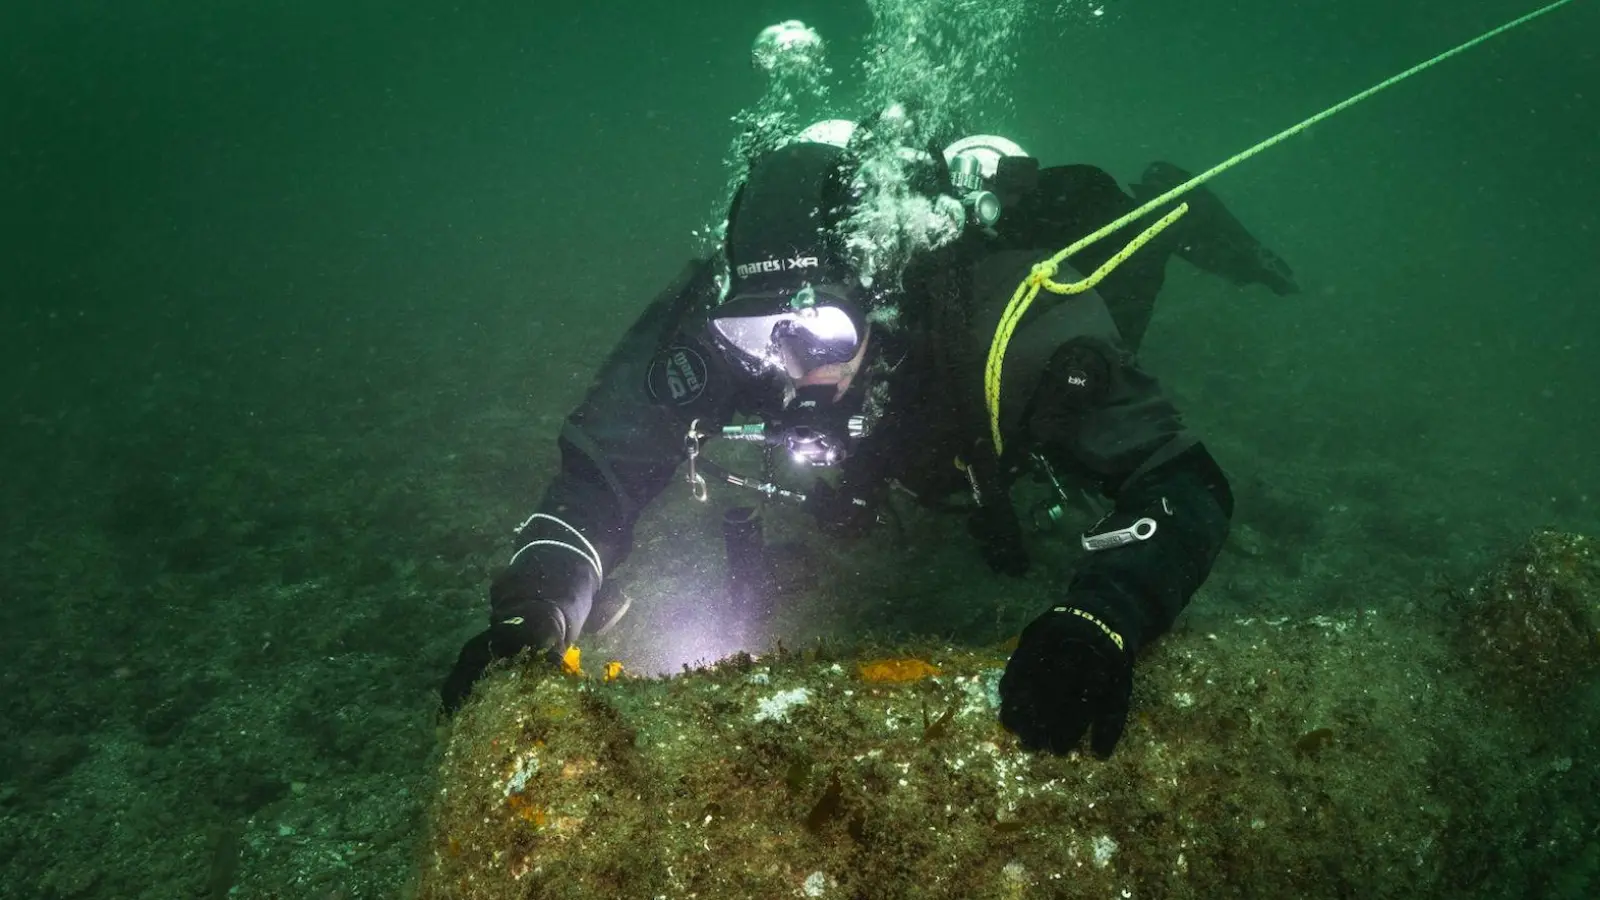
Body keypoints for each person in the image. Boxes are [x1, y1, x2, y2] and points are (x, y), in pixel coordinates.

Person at [441, 123, 1297, 758]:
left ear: (880, 297)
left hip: (999, 360)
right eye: (759, 331)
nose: (787, 365)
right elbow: (601, 476)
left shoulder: (1018, 329)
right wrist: (537, 608)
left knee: (1123, 272)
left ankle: (1168, 202)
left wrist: (1102, 619)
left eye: (815, 328)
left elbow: (1183, 481)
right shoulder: (711, 320)